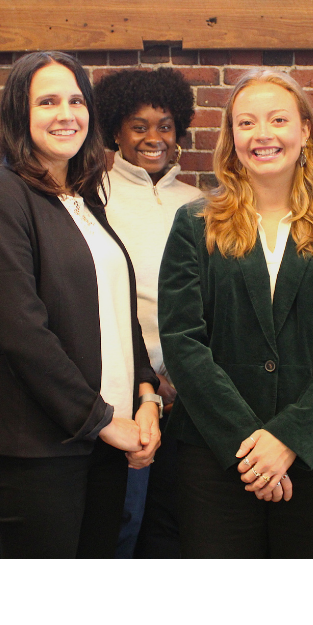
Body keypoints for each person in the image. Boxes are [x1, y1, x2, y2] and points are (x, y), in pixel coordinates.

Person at [158, 68, 313, 558]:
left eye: (278, 119)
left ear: (305, 131)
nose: (262, 134)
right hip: (216, 455)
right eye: (246, 123)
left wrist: (288, 438)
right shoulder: (193, 224)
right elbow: (182, 341)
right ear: (231, 137)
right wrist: (251, 443)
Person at [0, 53, 160, 557]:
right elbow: (22, 333)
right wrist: (102, 420)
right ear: (19, 114)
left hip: (106, 441)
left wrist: (146, 397)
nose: (66, 114)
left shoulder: (83, 198)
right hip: (39, 450)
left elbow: (120, 312)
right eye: (47, 102)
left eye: (76, 100)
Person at [92, 66, 204, 557]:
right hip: (125, 391)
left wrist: (182, 375)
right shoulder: (94, 195)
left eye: (165, 126)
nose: (153, 138)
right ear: (115, 131)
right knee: (123, 524)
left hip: (190, 389)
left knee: (175, 528)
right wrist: (147, 380)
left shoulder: (199, 203)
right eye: (138, 126)